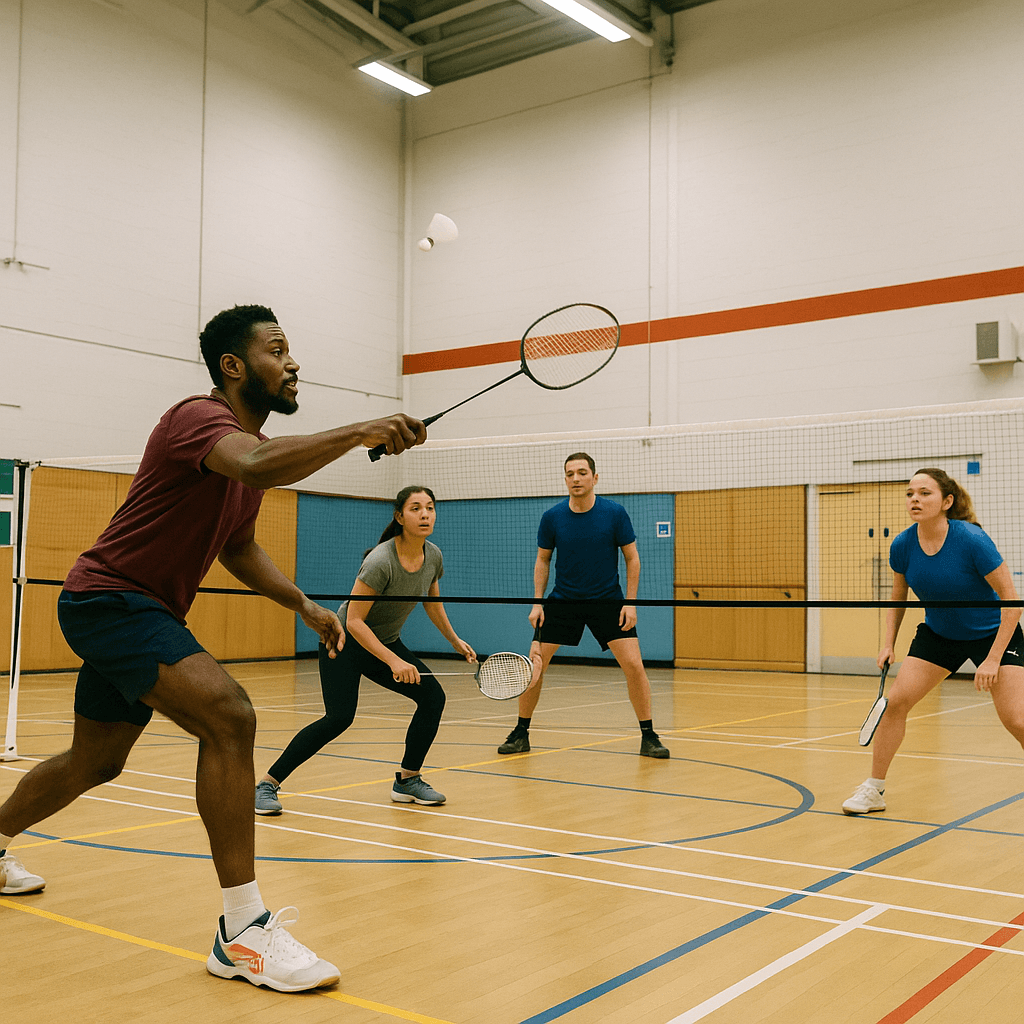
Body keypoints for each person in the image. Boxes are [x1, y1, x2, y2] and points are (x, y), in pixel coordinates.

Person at [0, 304, 426, 992]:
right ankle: (242, 932)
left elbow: (237, 546)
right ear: (233, 366)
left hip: (135, 609)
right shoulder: (199, 420)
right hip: (112, 600)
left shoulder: (244, 456)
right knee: (230, 716)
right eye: (277, 351)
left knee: (95, 762)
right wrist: (358, 431)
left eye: (292, 353)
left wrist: (304, 605)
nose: (293, 364)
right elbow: (257, 466)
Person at [255, 486, 475, 812]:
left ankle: (407, 780)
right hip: (344, 641)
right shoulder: (381, 560)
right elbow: (356, 621)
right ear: (400, 516)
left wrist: (454, 639)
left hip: (383, 641)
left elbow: (432, 600)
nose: (425, 514)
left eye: (430, 507)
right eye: (416, 508)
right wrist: (394, 661)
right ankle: (267, 784)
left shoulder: (433, 556)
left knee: (432, 697)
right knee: (338, 718)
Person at [843, 468, 1024, 815]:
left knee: (1017, 719)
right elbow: (898, 600)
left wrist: (992, 659)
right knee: (896, 703)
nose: (915, 499)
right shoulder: (903, 544)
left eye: (925, 493)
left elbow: (1011, 601)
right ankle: (874, 789)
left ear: (947, 501)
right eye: (910, 493)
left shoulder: (971, 539)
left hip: (992, 633)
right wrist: (887, 644)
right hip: (939, 634)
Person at [497, 452, 670, 759]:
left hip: (608, 602)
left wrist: (630, 603)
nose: (575, 479)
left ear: (595, 477)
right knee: (535, 667)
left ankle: (649, 735)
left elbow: (632, 558)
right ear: (565, 479)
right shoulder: (552, 517)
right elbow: (543, 559)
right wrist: (538, 603)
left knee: (634, 666)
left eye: (581, 473)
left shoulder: (614, 513)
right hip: (563, 602)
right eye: (569, 474)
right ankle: (521, 732)